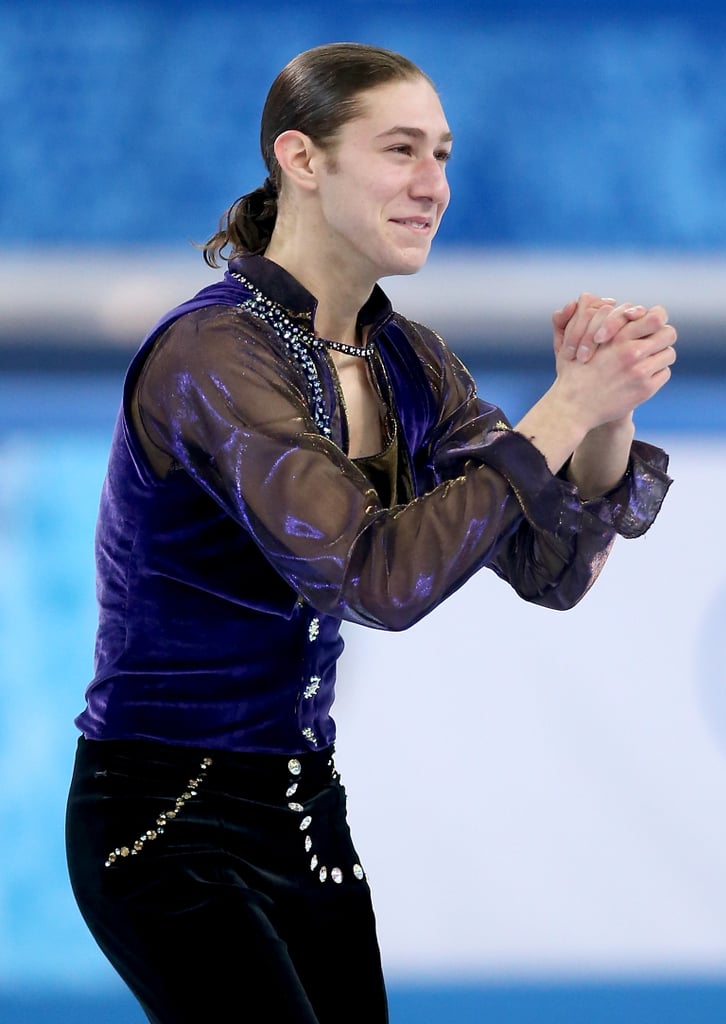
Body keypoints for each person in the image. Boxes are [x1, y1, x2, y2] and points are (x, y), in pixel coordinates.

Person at [65, 41, 676, 1024]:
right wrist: (559, 411)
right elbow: (372, 578)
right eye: (402, 151)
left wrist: (607, 411)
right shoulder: (212, 354)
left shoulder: (407, 360)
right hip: (161, 820)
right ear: (302, 159)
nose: (433, 185)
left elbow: (550, 565)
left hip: (304, 813)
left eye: (442, 154)